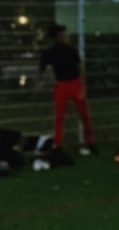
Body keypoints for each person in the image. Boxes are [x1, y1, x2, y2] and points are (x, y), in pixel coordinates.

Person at [39, 23, 97, 154]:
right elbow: (44, 70)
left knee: (84, 115)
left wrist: (83, 88)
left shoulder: (71, 51)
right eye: (61, 36)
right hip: (61, 84)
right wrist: (50, 82)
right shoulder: (49, 53)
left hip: (74, 83)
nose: (64, 38)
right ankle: (58, 143)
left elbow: (80, 68)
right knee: (59, 117)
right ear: (55, 38)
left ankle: (90, 141)